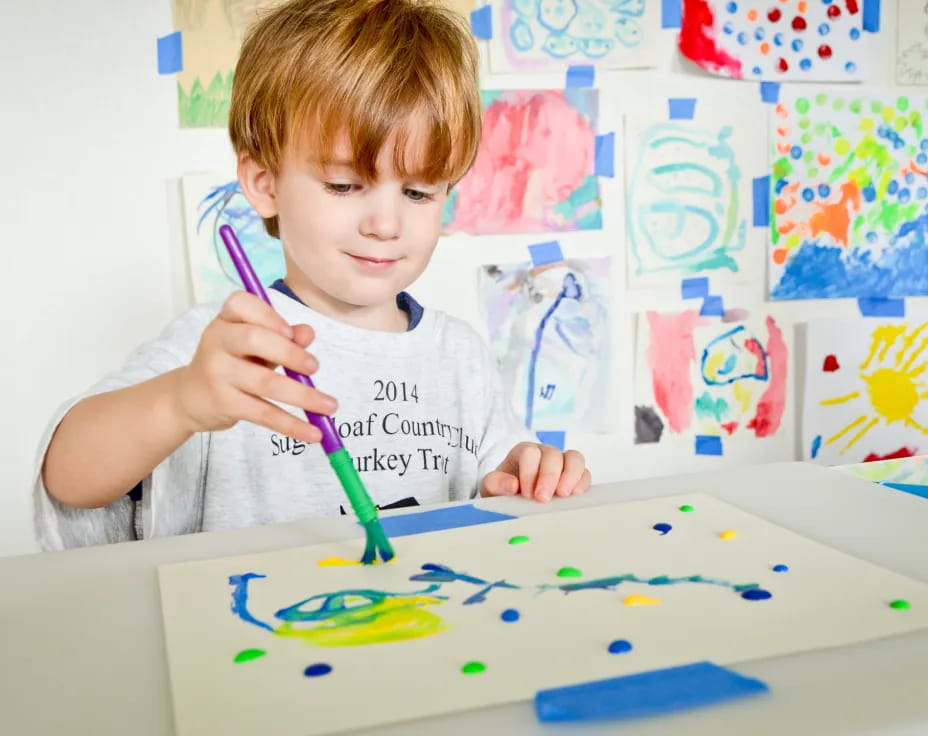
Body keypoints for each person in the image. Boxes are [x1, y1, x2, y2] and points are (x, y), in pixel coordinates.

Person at [34, 0, 591, 550]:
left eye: (419, 192)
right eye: (345, 186)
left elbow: (498, 487)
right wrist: (180, 401)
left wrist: (524, 475)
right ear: (265, 184)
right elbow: (68, 479)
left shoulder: (461, 356)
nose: (385, 223)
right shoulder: (225, 347)